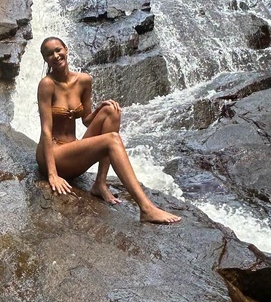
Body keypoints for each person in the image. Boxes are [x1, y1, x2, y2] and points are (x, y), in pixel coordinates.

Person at [35, 36, 181, 224]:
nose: (56, 56)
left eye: (58, 50)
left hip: (72, 149)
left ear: (66, 49)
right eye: (49, 54)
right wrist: (52, 174)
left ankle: (100, 183)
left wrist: (99, 109)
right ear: (45, 59)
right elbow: (46, 130)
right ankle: (146, 208)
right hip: (54, 155)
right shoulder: (47, 84)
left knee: (111, 111)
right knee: (111, 139)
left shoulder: (84, 80)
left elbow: (87, 121)